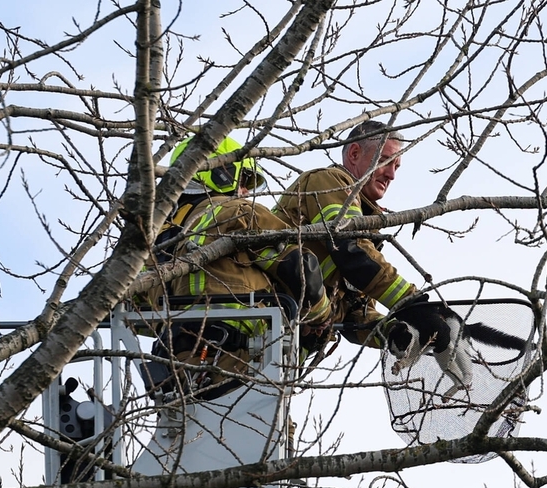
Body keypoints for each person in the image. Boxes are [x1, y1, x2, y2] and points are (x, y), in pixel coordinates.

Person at [145, 136, 331, 400]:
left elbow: (136, 314)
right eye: (243, 181)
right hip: (232, 355)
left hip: (175, 361)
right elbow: (300, 268)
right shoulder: (234, 211)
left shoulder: (153, 240)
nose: (245, 192)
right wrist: (323, 314)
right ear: (218, 172)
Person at [271, 120, 418, 362]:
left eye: (397, 167)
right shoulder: (329, 181)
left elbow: (355, 314)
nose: (391, 174)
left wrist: (391, 331)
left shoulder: (367, 226)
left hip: (286, 353)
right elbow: (350, 249)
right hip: (265, 323)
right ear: (354, 153)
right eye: (385, 161)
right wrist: (414, 304)